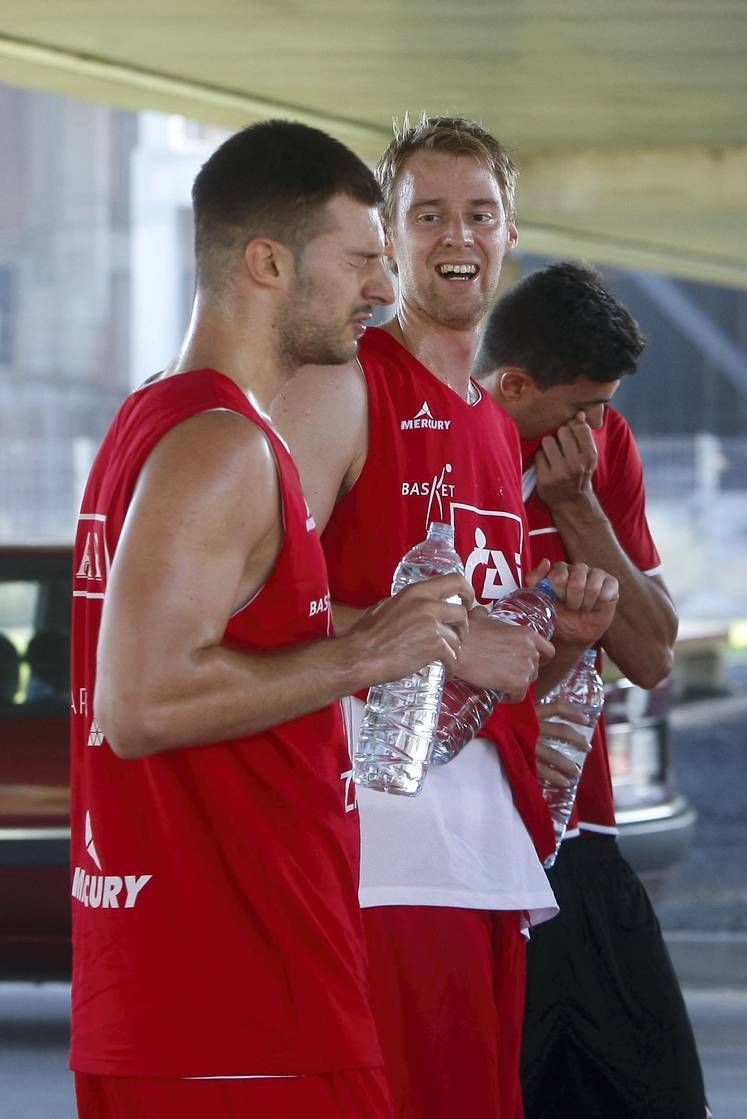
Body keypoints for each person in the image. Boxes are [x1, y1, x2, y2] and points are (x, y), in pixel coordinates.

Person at [69, 119, 476, 1119]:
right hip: (239, 1009)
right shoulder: (218, 444)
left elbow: (209, 644)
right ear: (267, 262)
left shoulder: (161, 421)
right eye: (359, 261)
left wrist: (370, 629)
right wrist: (366, 652)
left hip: (189, 1005)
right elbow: (143, 702)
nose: (382, 291)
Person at [273, 116, 619, 1119]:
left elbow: (480, 684)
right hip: (372, 861)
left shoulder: (486, 421)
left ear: (513, 232)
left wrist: (562, 650)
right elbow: (253, 602)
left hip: (480, 862)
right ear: (388, 235)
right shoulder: (341, 385)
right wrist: (447, 639)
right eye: (426, 215)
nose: (454, 236)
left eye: (478, 212)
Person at [475, 261, 710, 1119]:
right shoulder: (441, 454)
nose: (598, 423)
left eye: (606, 403)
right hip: (474, 850)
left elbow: (650, 653)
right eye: (582, 405)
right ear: (512, 385)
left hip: (582, 843)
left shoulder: (601, 452)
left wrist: (579, 508)